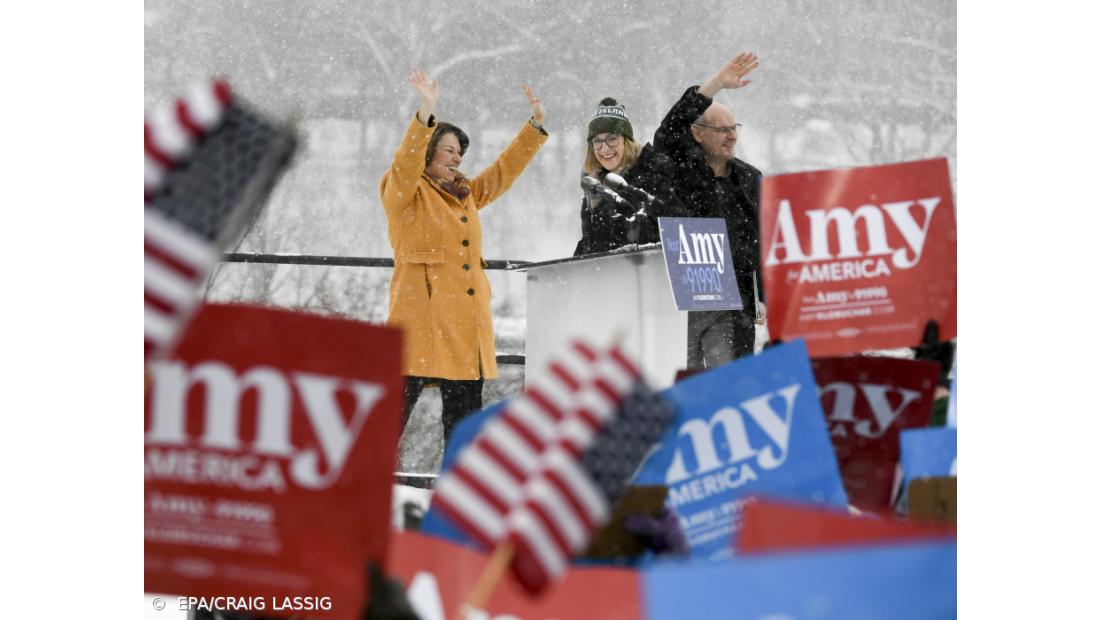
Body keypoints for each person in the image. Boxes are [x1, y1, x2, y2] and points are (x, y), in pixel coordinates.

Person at [379, 68, 548, 447]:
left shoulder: (464, 192)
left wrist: (534, 127)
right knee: (387, 427)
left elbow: (501, 175)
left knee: (462, 430)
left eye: (460, 152)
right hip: (419, 324)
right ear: (427, 150)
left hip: (463, 327)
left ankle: (452, 499)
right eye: (448, 150)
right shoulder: (404, 191)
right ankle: (359, 497)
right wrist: (425, 112)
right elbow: (405, 162)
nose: (457, 158)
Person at [653, 52, 765, 369]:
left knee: (730, 387)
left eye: (734, 128)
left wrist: (764, 297)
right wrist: (714, 85)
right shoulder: (678, 167)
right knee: (686, 386)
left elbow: (763, 238)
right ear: (697, 133)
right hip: (686, 299)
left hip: (737, 302)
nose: (732, 136)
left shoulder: (749, 178)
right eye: (722, 129)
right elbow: (669, 128)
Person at [573, 97, 686, 256]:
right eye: (597, 141)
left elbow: (679, 227)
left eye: (612, 139)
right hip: (607, 277)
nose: (604, 149)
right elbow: (590, 243)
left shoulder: (654, 172)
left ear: (627, 140)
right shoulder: (595, 185)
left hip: (650, 273)